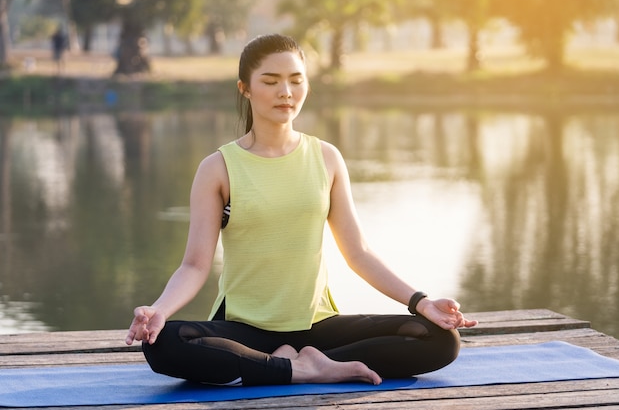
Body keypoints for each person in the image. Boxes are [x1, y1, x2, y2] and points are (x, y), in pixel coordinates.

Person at [125, 34, 477, 386]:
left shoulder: (326, 158)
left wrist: (421, 302)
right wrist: (160, 310)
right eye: (271, 81)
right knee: (164, 344)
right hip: (246, 329)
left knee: (440, 339)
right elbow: (195, 265)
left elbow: (358, 252)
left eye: (296, 80)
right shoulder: (218, 168)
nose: (286, 92)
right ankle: (304, 369)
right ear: (245, 88)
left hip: (319, 327)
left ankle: (297, 365)